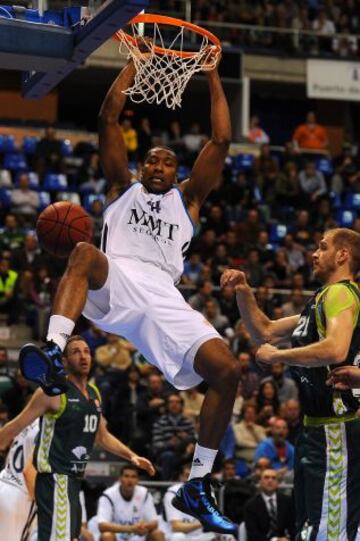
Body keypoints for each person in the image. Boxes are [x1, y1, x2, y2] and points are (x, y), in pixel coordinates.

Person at [19, 51, 239, 536]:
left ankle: (197, 483)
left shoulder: (190, 199)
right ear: (140, 168)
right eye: (152, 161)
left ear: (176, 171)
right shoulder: (122, 188)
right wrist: (139, 61)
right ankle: (54, 352)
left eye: (167, 162)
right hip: (115, 279)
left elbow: (222, 138)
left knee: (228, 371)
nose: (159, 166)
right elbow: (108, 116)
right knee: (82, 251)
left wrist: (213, 75)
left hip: (163, 297)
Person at [221, 227, 360, 540]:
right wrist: (244, 291)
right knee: (311, 527)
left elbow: (335, 348)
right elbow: (265, 331)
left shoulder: (340, 294)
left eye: (322, 247)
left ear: (342, 255)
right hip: (314, 429)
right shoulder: (321, 301)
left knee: (328, 531)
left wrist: (280, 356)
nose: (314, 253)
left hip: (337, 429)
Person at [0, 336, 155, 541]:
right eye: (75, 352)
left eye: (87, 351)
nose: (83, 356)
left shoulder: (94, 393)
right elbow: (16, 426)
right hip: (54, 479)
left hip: (73, 482)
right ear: (63, 361)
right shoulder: (52, 392)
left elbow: (102, 435)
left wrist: (132, 456)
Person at [96, 464, 164, 541]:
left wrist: (143, 527)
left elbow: (154, 523)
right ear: (120, 479)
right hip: (117, 536)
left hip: (139, 534)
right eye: (126, 476)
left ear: (137, 480)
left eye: (133, 477)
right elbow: (102, 525)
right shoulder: (108, 495)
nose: (130, 480)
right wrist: (131, 529)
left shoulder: (144, 493)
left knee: (158, 534)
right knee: (106, 536)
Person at [0, 420, 39, 541]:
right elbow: (29, 472)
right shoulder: (50, 426)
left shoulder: (32, 419)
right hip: (21, 493)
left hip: (5, 480)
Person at [163, 464, 215, 541]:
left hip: (200, 535)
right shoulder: (172, 493)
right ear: (181, 477)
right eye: (187, 476)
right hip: (179, 535)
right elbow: (176, 527)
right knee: (178, 537)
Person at [244, 468, 295, 541]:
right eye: (266, 477)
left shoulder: (287, 502)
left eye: (273, 478)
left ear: (278, 483)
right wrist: (275, 540)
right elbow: (253, 534)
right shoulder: (251, 505)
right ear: (260, 482)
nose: (270, 480)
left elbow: (293, 528)